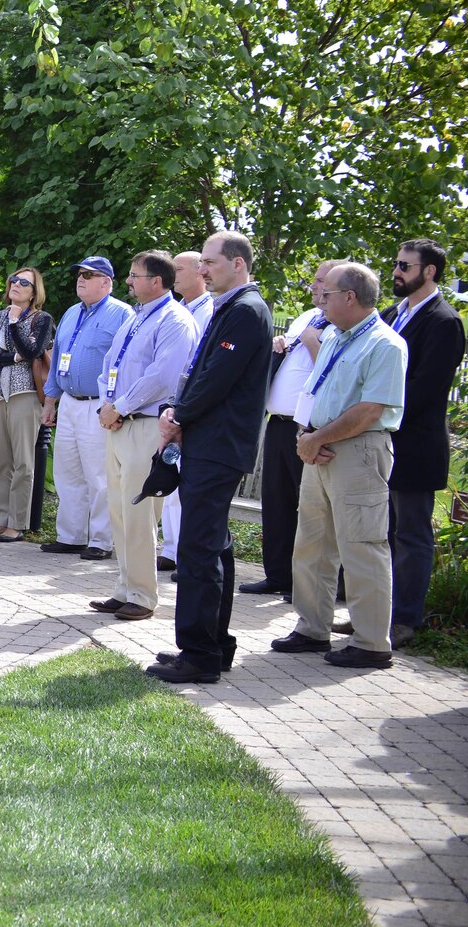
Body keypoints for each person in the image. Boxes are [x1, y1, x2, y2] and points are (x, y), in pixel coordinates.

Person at [146, 230, 275, 685]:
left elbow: (217, 377)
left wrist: (178, 414)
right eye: (200, 262)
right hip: (213, 442)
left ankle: (199, 655)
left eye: (210, 263)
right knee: (214, 546)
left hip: (218, 444)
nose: (201, 270)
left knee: (199, 551)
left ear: (238, 264)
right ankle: (214, 646)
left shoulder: (246, 310)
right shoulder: (236, 307)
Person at [270, 261, 408, 668]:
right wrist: (305, 437)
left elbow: (370, 410)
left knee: (362, 546)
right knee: (312, 543)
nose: (320, 299)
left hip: (358, 451)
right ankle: (312, 628)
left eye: (326, 293)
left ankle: (370, 643)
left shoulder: (384, 344)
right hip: (317, 447)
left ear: (350, 297)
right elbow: (314, 390)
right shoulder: (334, 335)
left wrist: (318, 438)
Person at [86, 250, 196, 622]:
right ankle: (124, 587)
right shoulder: (135, 318)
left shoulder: (175, 320)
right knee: (118, 510)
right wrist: (108, 405)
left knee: (139, 512)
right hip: (119, 424)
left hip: (148, 425)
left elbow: (162, 376)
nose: (129, 282)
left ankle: (144, 595)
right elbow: (109, 366)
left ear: (157, 282)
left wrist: (121, 406)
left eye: (135, 276)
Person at [383, 238, 466, 647]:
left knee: (411, 535)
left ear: (428, 271)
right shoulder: (389, 315)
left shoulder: (444, 321)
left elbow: (427, 390)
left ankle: (404, 621)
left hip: (413, 447)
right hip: (378, 445)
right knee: (380, 533)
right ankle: (377, 612)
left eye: (404, 265)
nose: (395, 271)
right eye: (396, 263)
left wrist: (375, 414)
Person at [240, 259, 340, 597]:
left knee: (309, 509)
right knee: (277, 503)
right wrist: (282, 345)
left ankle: (307, 582)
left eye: (321, 280)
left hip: (310, 430)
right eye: (314, 279)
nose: (313, 286)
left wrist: (313, 343)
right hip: (279, 424)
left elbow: (335, 372)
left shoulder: (339, 325)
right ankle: (278, 574)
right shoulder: (305, 318)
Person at [41, 257, 133, 560]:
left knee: (99, 475)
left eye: (89, 275)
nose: (81, 279)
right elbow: (57, 360)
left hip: (98, 405)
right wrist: (50, 400)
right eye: (79, 274)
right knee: (67, 472)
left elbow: (126, 363)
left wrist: (115, 405)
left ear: (107, 282)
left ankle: (101, 541)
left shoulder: (122, 314)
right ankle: (71, 536)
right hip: (68, 402)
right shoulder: (70, 312)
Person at [0, 267, 54, 543]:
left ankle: (18, 522)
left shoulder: (41, 319)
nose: (16, 284)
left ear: (34, 292)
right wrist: (12, 358)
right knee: (2, 462)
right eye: (14, 279)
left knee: (24, 461)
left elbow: (33, 351)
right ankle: (0, 520)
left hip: (25, 395)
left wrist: (14, 325)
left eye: (25, 282)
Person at [157, 250, 214, 572]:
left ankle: (187, 555)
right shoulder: (176, 309)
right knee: (169, 475)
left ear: (200, 272)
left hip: (193, 407)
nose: (172, 274)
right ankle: (171, 548)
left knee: (188, 483)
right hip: (170, 406)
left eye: (178, 269)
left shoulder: (211, 310)